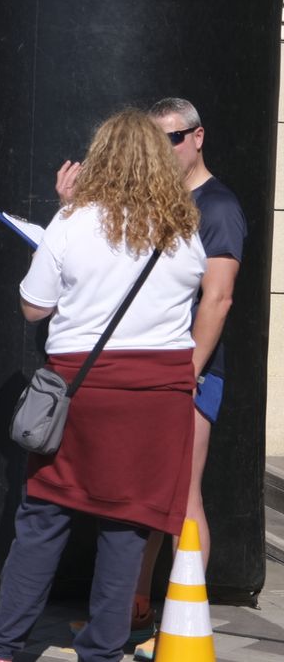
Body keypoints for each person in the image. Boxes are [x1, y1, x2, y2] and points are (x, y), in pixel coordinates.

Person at [0, 110, 206, 662]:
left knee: (44, 518)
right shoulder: (184, 228)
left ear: (99, 159)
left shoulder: (72, 224)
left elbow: (34, 308)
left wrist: (64, 215)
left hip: (83, 390)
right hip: (158, 397)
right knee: (128, 526)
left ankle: (0, 645)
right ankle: (102, 650)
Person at [55, 98, 245, 659]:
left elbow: (218, 298)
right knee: (140, 499)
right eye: (155, 141)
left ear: (198, 137)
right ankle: (132, 610)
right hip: (151, 375)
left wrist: (186, 374)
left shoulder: (219, 208)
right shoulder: (160, 203)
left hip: (186, 376)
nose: (165, 152)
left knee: (183, 499)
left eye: (175, 140)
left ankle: (182, 627)